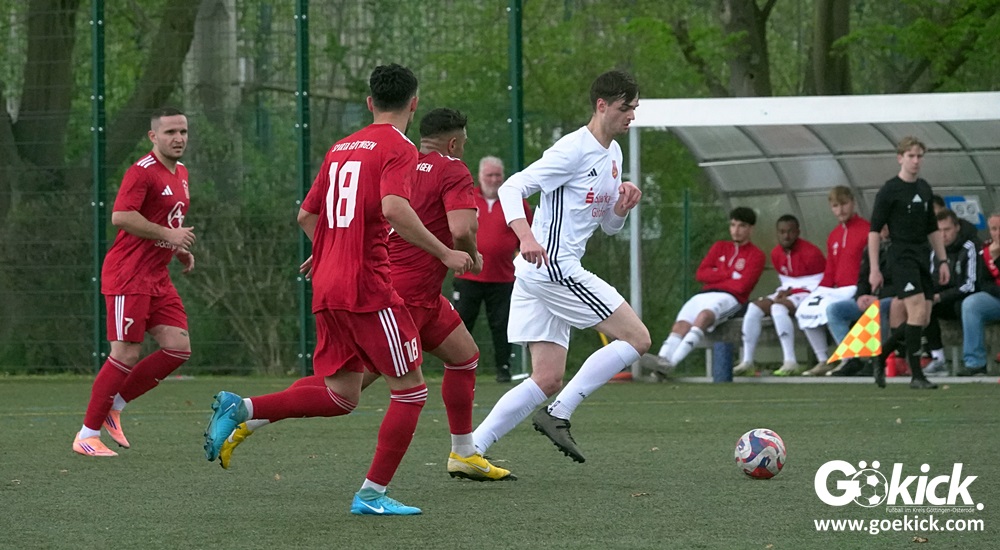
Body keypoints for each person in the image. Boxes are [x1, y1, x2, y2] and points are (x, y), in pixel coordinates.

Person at [203, 64, 474, 516]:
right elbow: (395, 208)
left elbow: (306, 216)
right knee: (410, 391)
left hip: (328, 284)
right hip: (368, 287)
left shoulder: (341, 147)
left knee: (341, 394)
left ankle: (243, 408)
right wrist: (445, 252)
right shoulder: (400, 147)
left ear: (369, 103)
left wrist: (331, 249)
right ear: (414, 103)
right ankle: (371, 495)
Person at [470, 70, 649, 465]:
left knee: (547, 377)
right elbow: (512, 187)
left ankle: (470, 449)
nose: (632, 116)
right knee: (638, 338)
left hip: (540, 273)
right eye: (625, 108)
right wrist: (525, 236)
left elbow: (608, 226)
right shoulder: (572, 150)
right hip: (552, 268)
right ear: (601, 105)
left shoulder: (614, 155)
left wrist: (621, 209)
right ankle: (558, 413)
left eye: (635, 108)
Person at [72, 107, 196, 457]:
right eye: (170, 132)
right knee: (125, 352)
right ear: (153, 136)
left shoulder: (182, 172)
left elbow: (164, 219)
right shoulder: (141, 172)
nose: (178, 138)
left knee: (178, 347)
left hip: (157, 275)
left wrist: (176, 249)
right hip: (128, 275)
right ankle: (87, 435)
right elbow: (121, 216)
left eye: (183, 132)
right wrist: (169, 235)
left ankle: (115, 405)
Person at [869, 136, 949, 390]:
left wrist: (943, 260)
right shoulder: (889, 190)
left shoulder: (924, 188)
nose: (915, 161)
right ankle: (917, 376)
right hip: (901, 257)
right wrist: (874, 269)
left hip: (922, 256)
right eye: (911, 156)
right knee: (916, 311)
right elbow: (874, 231)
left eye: (919, 156)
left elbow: (932, 228)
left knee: (923, 317)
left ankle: (881, 355)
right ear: (900, 158)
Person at [651, 207, 766, 370]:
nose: (736, 230)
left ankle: (671, 364)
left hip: (731, 299)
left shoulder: (756, 255)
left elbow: (742, 286)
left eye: (742, 226)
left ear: (751, 229)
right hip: (704, 294)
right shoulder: (720, 247)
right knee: (680, 325)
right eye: (733, 225)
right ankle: (661, 361)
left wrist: (716, 275)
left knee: (704, 317)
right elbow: (701, 274)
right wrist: (729, 274)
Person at [452, 156, 533, 382]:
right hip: (468, 275)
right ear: (480, 176)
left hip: (503, 276)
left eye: (498, 175)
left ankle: (503, 369)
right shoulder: (467, 198)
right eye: (489, 175)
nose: (494, 179)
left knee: (502, 324)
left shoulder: (514, 201)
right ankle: (457, 366)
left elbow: (527, 233)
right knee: (461, 322)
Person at [733, 215, 824, 376]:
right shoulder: (776, 253)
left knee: (778, 307)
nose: (786, 236)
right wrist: (785, 291)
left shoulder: (811, 252)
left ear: (797, 232)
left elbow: (818, 284)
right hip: (789, 291)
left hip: (809, 293)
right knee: (754, 307)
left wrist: (790, 293)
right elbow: (786, 281)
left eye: (790, 232)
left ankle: (790, 361)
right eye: (782, 232)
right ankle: (747, 361)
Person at [795, 186, 870, 376]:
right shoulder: (834, 235)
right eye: (836, 206)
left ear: (853, 203)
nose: (840, 210)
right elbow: (830, 270)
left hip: (857, 289)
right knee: (804, 309)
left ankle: (848, 358)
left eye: (844, 204)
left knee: (832, 310)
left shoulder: (867, 230)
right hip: (836, 289)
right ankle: (823, 360)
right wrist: (818, 292)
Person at [823, 225, 894, 377]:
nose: (883, 230)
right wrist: (861, 296)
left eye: (887, 226)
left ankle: (876, 359)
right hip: (870, 297)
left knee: (879, 307)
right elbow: (862, 278)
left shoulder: (902, 248)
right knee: (834, 310)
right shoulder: (871, 249)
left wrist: (878, 297)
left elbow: (903, 283)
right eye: (880, 227)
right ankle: (850, 359)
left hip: (893, 298)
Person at [921, 209, 978, 376]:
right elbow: (932, 280)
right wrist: (929, 296)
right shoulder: (936, 251)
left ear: (957, 227)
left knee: (965, 306)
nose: (943, 235)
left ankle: (971, 360)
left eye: (947, 229)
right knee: (925, 305)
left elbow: (970, 284)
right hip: (945, 299)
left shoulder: (970, 247)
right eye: (939, 231)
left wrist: (940, 296)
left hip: (966, 297)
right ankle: (938, 358)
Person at [959, 212, 1000, 376]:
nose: (998, 233)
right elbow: (984, 283)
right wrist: (994, 257)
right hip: (997, 298)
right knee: (971, 304)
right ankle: (975, 363)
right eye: (994, 229)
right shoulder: (986, 250)